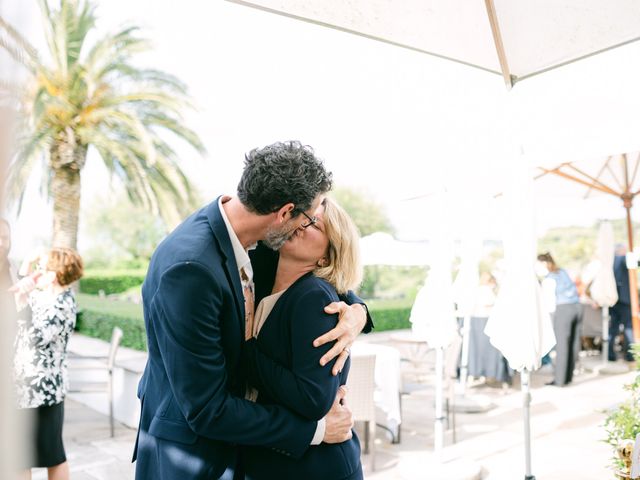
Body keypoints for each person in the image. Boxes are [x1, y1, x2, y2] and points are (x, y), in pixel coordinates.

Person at [133, 141, 372, 480]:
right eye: (308, 217)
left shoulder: (261, 240)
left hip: (246, 450)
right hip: (192, 456)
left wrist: (357, 310)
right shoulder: (192, 268)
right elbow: (206, 409)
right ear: (286, 213)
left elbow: (329, 273)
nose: (305, 227)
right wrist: (316, 431)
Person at [242, 198, 363, 480]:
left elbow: (313, 399)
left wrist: (246, 352)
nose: (301, 225)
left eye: (314, 225)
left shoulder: (314, 296)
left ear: (326, 257)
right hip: (281, 461)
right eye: (303, 217)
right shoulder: (267, 280)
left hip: (315, 468)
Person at [11, 247, 84, 480]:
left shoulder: (62, 304)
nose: (37, 273)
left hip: (43, 390)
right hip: (27, 386)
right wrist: (27, 264)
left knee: (51, 454)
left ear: (53, 275)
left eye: (42, 269)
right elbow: (24, 290)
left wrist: (22, 304)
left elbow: (37, 338)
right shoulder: (48, 296)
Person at [536, 252, 582, 386]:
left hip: (563, 309)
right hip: (577, 307)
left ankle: (560, 380)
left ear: (544, 264)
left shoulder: (549, 279)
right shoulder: (563, 272)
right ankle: (568, 377)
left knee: (561, 346)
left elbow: (549, 304)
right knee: (573, 344)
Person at [609, 244, 634, 362]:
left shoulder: (609, 262)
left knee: (613, 328)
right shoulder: (623, 259)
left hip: (613, 300)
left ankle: (610, 354)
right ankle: (629, 355)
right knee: (628, 327)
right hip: (624, 299)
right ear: (622, 250)